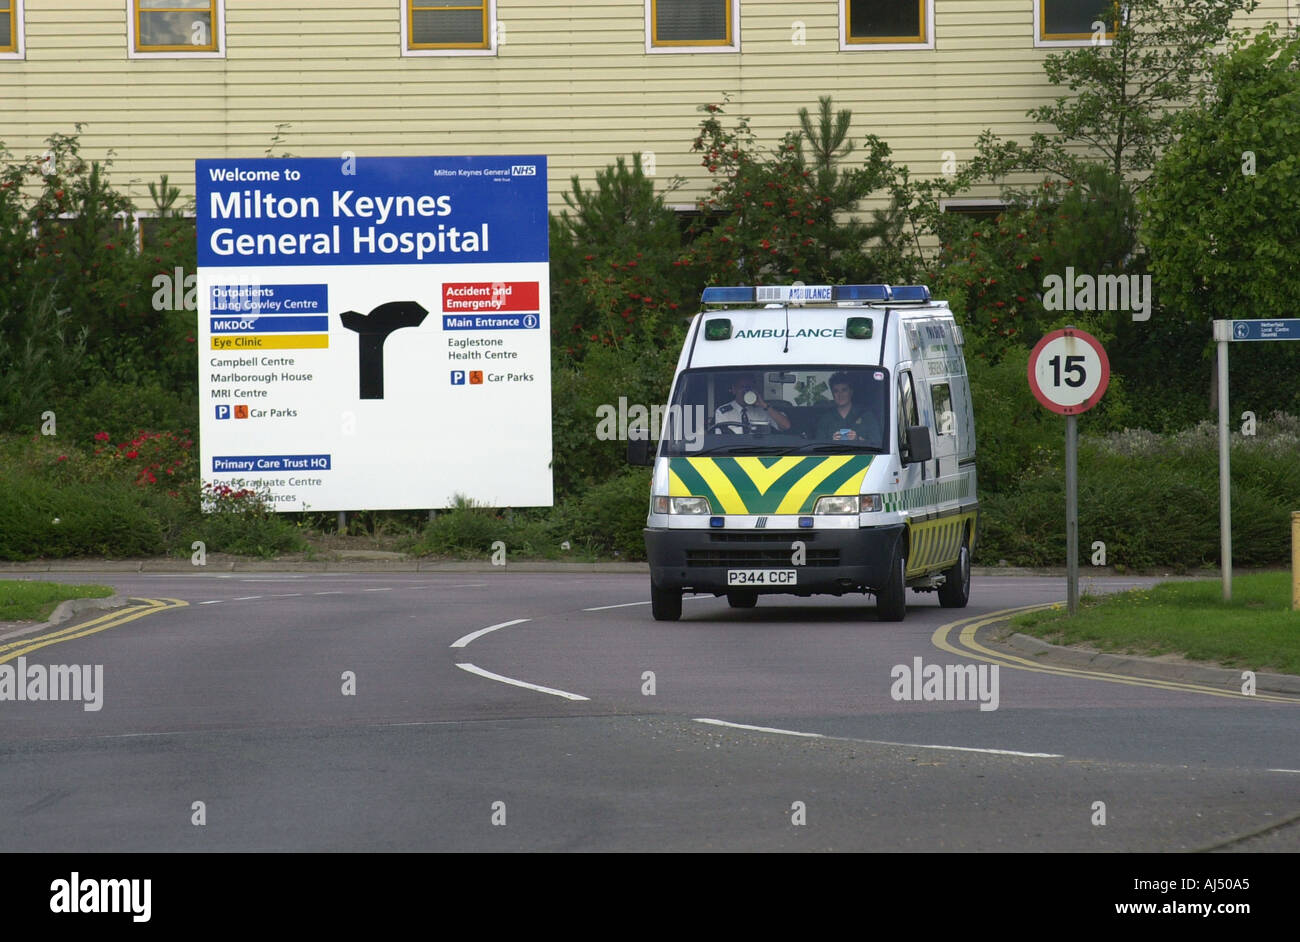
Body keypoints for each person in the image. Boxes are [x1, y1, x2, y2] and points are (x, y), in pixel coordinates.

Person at [815, 372, 881, 444]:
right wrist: (831, 441)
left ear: (851, 392)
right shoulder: (825, 419)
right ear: (832, 394)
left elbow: (877, 444)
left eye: (844, 390)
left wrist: (858, 439)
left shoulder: (866, 416)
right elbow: (818, 445)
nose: (840, 395)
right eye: (836, 391)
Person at [713, 373, 791, 433]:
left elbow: (786, 426)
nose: (746, 391)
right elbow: (721, 440)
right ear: (734, 390)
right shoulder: (723, 412)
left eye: (749, 387)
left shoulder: (764, 409)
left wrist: (764, 405)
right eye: (742, 387)